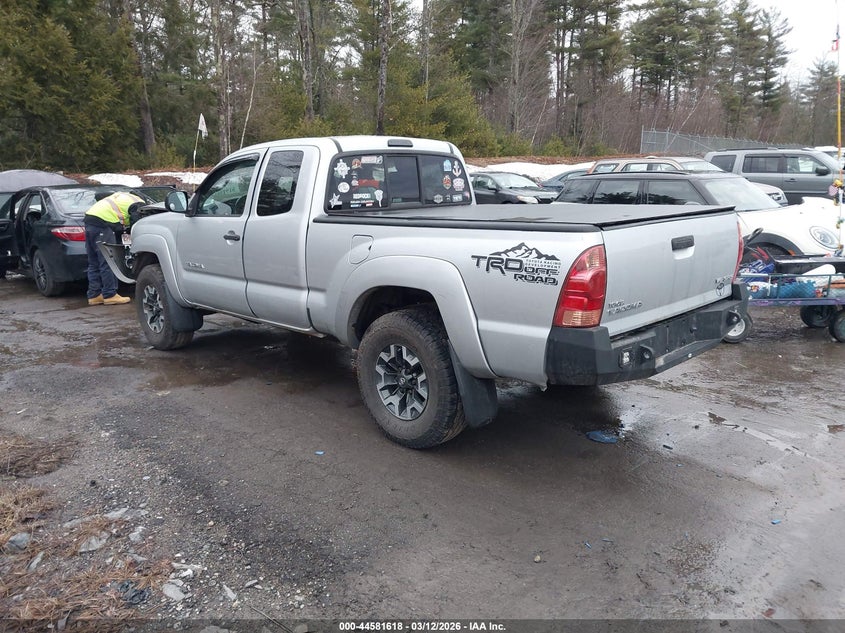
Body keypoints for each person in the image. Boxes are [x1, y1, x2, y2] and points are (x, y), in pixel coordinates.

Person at [84, 190, 144, 305]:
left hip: (90, 221)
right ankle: (109, 294)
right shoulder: (138, 203)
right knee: (108, 260)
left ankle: (94, 295)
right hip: (103, 224)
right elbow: (136, 224)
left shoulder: (123, 196)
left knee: (94, 261)